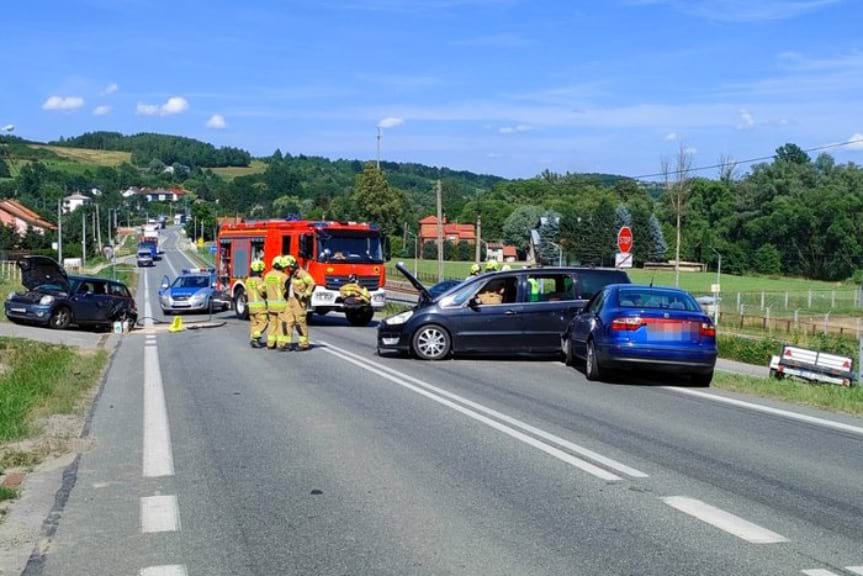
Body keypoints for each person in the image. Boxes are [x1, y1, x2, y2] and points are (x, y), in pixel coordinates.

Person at [284, 255, 316, 351]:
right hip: (290, 300)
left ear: (293, 265)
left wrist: (306, 295)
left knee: (300, 322)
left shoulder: (302, 274)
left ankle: (303, 344)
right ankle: (287, 343)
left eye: (288, 267)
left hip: (299, 302)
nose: (287, 269)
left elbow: (312, 284)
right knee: (288, 322)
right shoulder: (292, 274)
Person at [263, 255, 289, 350]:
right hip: (281, 305)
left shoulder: (267, 276)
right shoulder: (284, 277)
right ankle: (281, 344)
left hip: (270, 304)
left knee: (272, 324)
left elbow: (264, 290)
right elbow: (288, 291)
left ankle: (270, 343)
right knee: (281, 325)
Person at [246, 259, 268, 348]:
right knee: (264, 322)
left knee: (254, 324)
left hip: (251, 307)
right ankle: (255, 337)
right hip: (260, 306)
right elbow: (263, 291)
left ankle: (254, 340)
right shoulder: (259, 280)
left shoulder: (248, 280)